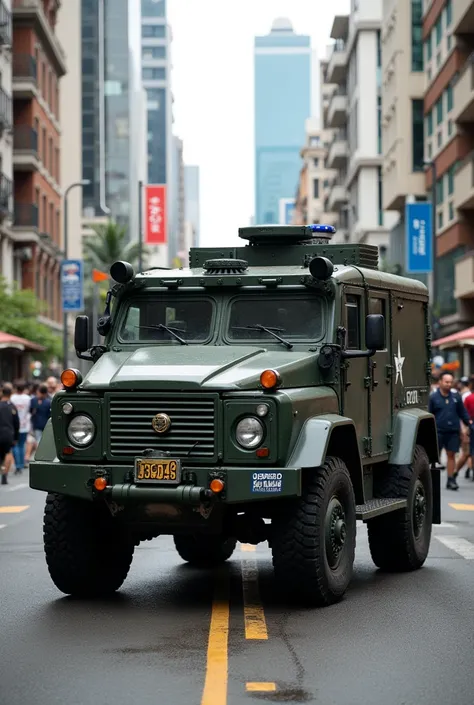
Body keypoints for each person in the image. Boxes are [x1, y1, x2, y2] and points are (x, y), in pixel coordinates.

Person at [429, 371, 473, 490]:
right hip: (438, 431)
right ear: (440, 382)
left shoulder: (456, 397)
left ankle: (451, 479)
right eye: (446, 382)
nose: (448, 384)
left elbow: (462, 412)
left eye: (450, 382)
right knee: (433, 457)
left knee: (451, 455)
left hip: (453, 431)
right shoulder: (433, 397)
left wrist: (468, 423)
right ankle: (429, 481)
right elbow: (429, 413)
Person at [10, 381, 31, 475]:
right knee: (22, 445)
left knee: (15, 445)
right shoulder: (28, 398)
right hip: (25, 424)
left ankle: (17, 465)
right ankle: (21, 464)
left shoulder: (12, 398)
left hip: (14, 425)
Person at [0, 386, 19, 485]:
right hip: (8, 434)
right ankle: (4, 475)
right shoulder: (12, 407)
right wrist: (16, 437)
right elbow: (16, 423)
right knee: (8, 453)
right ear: (11, 394)